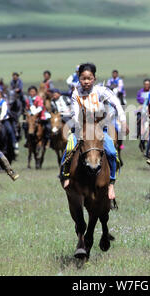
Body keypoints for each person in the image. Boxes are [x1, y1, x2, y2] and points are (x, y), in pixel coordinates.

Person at [60, 63, 129, 202]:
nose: (86, 81)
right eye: (83, 78)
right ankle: (66, 175)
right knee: (69, 148)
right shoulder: (75, 93)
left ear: (94, 79)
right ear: (79, 78)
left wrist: (123, 121)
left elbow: (116, 104)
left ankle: (111, 183)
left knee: (111, 152)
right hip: (81, 128)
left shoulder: (102, 91)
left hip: (100, 128)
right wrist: (81, 130)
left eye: (89, 78)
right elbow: (75, 113)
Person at [0, 89, 19, 154]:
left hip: (3, 119)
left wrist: (0, 119)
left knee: (10, 130)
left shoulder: (3, 102)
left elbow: (4, 112)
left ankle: (14, 144)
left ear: (1, 96)